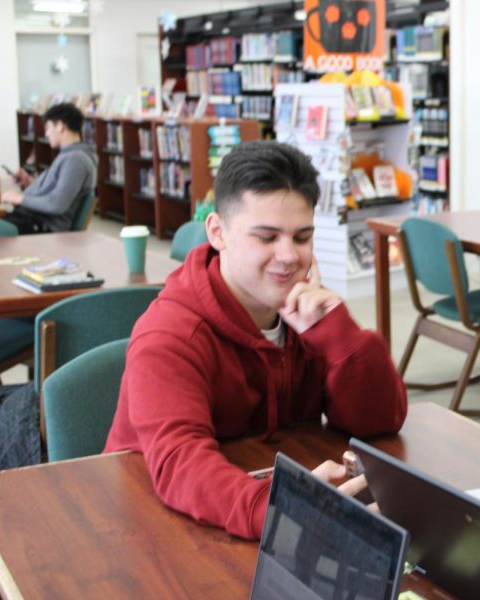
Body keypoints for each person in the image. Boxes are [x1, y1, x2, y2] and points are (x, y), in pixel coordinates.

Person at [104, 141, 408, 540]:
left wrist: (339, 335)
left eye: (302, 237)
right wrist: (281, 507)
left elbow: (381, 421)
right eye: (266, 237)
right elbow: (181, 463)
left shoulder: (306, 312)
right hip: (151, 526)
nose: (288, 256)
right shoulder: (169, 334)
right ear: (218, 232)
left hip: (258, 513)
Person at [0, 103, 97, 234]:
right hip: (31, 220)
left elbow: (57, 204)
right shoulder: (69, 154)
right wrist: (30, 182)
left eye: (48, 127)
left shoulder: (76, 160)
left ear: (60, 126)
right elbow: (57, 190)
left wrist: (18, 198)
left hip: (41, 225)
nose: (46, 134)